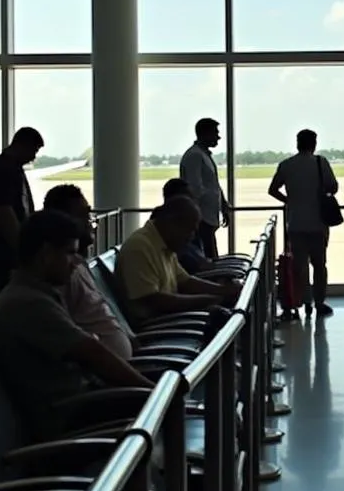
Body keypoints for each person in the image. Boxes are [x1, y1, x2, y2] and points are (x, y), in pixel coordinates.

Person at [0, 209, 152, 438]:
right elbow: (92, 353)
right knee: (161, 400)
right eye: (70, 253)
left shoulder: (34, 295)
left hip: (82, 402)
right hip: (70, 419)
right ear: (46, 254)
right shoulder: (28, 303)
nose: (76, 263)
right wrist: (153, 392)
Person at [115, 195, 240, 327]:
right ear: (171, 223)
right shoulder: (139, 247)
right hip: (155, 326)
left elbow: (185, 281)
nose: (191, 237)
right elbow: (155, 301)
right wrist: (211, 300)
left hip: (169, 318)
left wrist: (222, 291)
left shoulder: (164, 244)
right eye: (189, 230)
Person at [42, 183, 134, 359]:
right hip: (111, 377)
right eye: (82, 216)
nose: (90, 222)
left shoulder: (78, 265)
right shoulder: (60, 276)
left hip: (124, 366)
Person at [269, 129, 339, 319]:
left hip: (295, 222)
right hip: (318, 222)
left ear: (298, 143)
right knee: (319, 264)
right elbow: (333, 186)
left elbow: (273, 189)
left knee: (299, 266)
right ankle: (319, 301)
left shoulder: (287, 165)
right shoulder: (320, 162)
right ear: (314, 144)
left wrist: (288, 200)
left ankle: (303, 302)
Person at [0, 127, 44, 298]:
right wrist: (22, 251)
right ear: (23, 145)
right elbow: (4, 214)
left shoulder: (9, 167)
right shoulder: (3, 170)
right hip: (4, 252)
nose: (33, 157)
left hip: (5, 250)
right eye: (33, 150)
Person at [180, 118, 230, 260]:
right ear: (205, 133)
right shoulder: (195, 156)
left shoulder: (203, 155)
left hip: (208, 216)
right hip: (201, 218)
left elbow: (213, 184)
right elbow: (195, 188)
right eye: (215, 133)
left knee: (210, 254)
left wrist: (223, 205)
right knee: (206, 257)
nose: (218, 137)